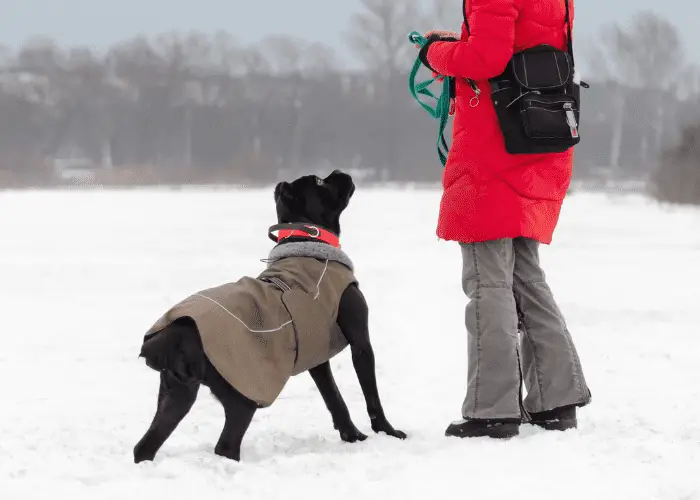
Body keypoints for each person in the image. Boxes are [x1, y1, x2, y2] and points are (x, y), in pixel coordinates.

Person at [417, 0, 592, 439]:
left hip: (492, 152)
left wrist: (435, 52)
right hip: (537, 141)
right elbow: (519, 49)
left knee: (488, 282)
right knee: (526, 278)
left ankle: (492, 409)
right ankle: (556, 401)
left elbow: (486, 59)